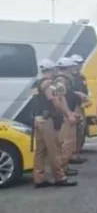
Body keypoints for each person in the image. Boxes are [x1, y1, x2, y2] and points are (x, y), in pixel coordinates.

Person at [31, 59, 77, 188]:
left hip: (38, 119)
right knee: (54, 150)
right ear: (52, 70)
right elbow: (55, 100)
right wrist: (67, 113)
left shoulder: (37, 83)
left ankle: (38, 178)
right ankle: (60, 177)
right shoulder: (48, 84)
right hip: (48, 121)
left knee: (40, 151)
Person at [51, 58, 80, 175]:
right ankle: (62, 167)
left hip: (67, 113)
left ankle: (64, 166)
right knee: (66, 142)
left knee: (68, 141)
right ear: (69, 68)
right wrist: (69, 114)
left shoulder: (64, 80)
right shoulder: (61, 81)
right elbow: (61, 99)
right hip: (64, 115)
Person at [69, 54, 90, 158]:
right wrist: (78, 94)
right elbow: (67, 92)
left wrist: (86, 100)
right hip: (71, 107)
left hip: (80, 106)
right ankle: (71, 154)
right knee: (72, 131)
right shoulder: (68, 78)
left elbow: (85, 90)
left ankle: (77, 152)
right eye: (78, 64)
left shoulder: (81, 77)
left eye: (81, 63)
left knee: (81, 131)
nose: (80, 66)